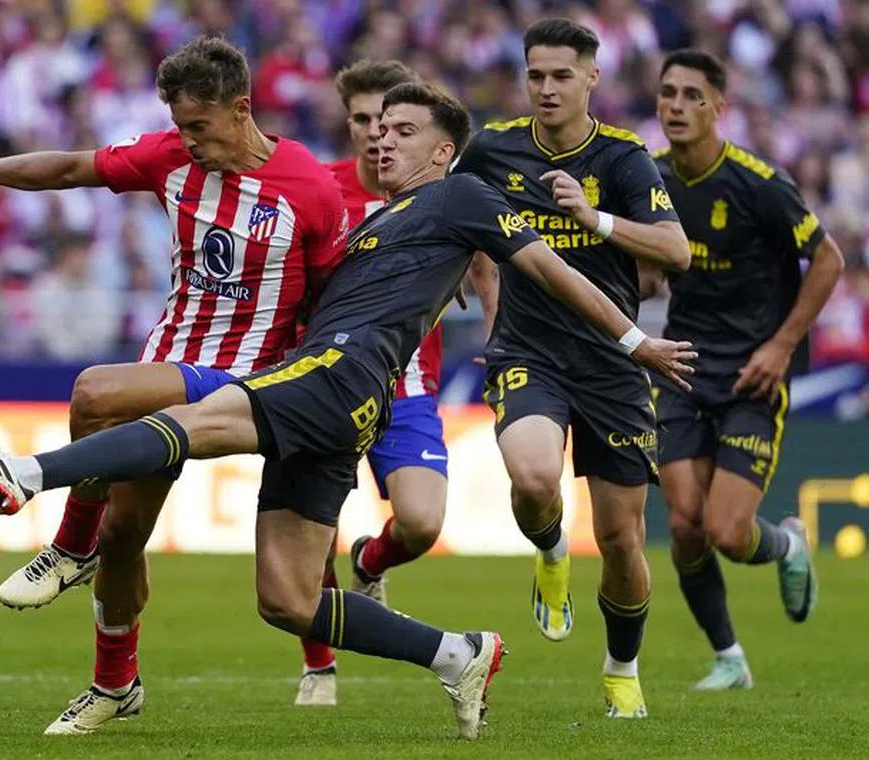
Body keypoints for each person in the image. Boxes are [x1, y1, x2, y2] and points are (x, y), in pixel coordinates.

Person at [0, 82, 696, 738]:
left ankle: (24, 474)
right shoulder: (380, 220)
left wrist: (636, 341)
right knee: (288, 600)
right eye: (376, 129)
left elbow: (549, 268)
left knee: (194, 427)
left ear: (442, 153)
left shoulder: (462, 196)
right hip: (342, 397)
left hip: (339, 375)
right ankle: (458, 654)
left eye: (402, 132)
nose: (381, 142)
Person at [452, 18, 691, 718]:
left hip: (612, 363)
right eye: (536, 75)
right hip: (528, 353)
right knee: (530, 480)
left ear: (593, 78)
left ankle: (622, 666)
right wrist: (464, 268)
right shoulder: (492, 148)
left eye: (562, 75)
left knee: (620, 540)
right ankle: (552, 551)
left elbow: (675, 251)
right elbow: (446, 207)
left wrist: (597, 220)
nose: (547, 88)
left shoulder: (621, 159)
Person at [649, 49, 839, 691]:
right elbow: (642, 267)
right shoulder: (649, 179)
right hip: (682, 366)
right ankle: (729, 657)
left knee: (726, 532)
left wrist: (782, 346)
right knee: (681, 524)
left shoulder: (759, 183)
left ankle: (786, 545)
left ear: (718, 108)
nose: (676, 105)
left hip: (751, 378)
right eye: (667, 93)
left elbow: (830, 260)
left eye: (691, 95)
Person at [294, 58, 449, 709]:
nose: (376, 135)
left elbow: (495, 266)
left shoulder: (445, 194)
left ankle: (373, 563)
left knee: (420, 523)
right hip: (325, 382)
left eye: (390, 124)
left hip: (406, 386)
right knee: (312, 530)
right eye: (362, 120)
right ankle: (319, 666)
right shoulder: (321, 191)